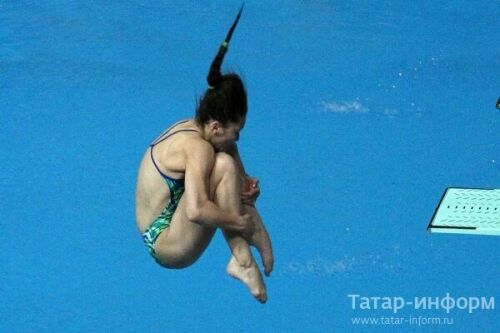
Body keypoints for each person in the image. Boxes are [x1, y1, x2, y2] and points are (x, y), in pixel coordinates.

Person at [135, 7, 273, 303]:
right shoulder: (197, 148)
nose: (238, 136)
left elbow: (228, 147)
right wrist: (240, 223)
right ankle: (242, 260)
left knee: (226, 155)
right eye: (236, 130)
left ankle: (245, 250)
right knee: (222, 162)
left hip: (166, 221)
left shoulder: (195, 128)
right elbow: (197, 211)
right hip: (165, 243)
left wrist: (244, 185)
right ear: (215, 124)